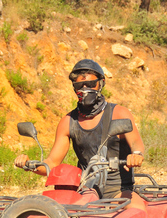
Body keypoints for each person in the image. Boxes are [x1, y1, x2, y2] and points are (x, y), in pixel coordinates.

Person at [14, 59, 145, 210]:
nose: (84, 89)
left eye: (90, 84)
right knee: (54, 217)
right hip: (85, 189)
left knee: (137, 212)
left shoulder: (119, 113)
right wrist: (29, 165)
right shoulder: (68, 122)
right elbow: (52, 163)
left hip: (118, 191)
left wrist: (136, 154)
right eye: (79, 85)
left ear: (101, 84)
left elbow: (136, 142)